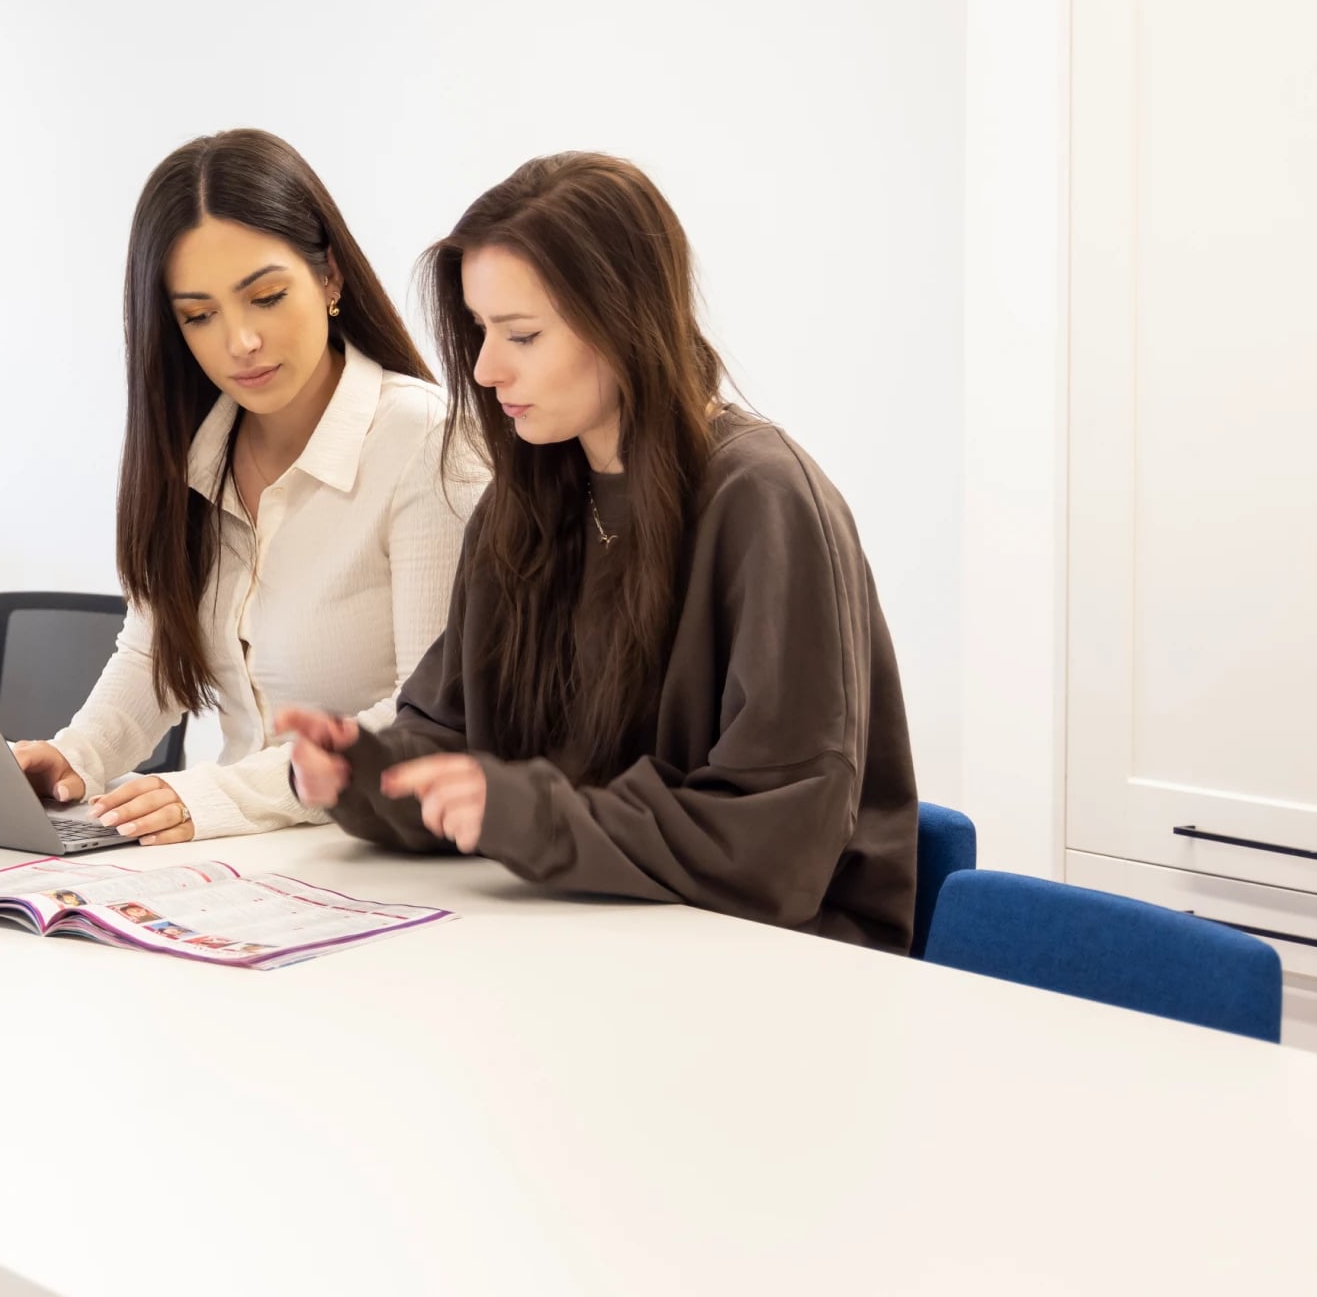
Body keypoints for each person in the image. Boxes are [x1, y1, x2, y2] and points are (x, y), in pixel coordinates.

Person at [275, 153, 919, 950]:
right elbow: (456, 735)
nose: (484, 367)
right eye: (480, 330)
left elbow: (776, 841)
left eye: (522, 334)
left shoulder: (763, 500)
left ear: (624, 319)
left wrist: (527, 813)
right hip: (593, 937)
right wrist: (365, 773)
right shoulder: (528, 498)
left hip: (780, 968)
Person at [12, 130, 481, 844]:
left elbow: (434, 716)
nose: (240, 342)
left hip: (377, 855)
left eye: (264, 297)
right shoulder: (195, 453)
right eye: (199, 316)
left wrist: (220, 792)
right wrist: (76, 757)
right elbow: (152, 655)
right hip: (242, 863)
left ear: (329, 279)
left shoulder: (426, 443)